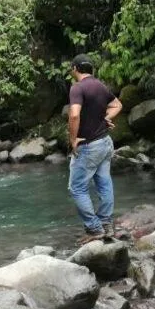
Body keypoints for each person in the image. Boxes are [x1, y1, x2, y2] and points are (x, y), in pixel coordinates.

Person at [67, 54, 122, 243]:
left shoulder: (77, 88)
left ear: (75, 69)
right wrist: (106, 118)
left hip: (89, 145)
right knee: (104, 183)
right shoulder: (100, 85)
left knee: (77, 188)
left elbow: (74, 115)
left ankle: (94, 229)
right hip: (105, 143)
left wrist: (73, 140)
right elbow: (117, 105)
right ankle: (106, 225)